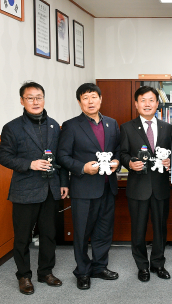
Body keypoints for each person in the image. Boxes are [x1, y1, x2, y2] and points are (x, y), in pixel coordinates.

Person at [0, 82, 68, 295]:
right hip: (24, 189)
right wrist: (30, 164)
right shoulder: (12, 127)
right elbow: (4, 157)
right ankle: (24, 275)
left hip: (50, 189)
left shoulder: (55, 125)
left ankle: (45, 272)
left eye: (39, 97)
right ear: (22, 101)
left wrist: (64, 182)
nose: (35, 101)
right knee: (22, 237)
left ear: (44, 99)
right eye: (30, 98)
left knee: (49, 234)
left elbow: (61, 158)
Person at [57, 83, 121, 290]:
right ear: (79, 102)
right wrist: (82, 168)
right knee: (82, 233)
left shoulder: (112, 123)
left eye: (94, 97)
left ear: (101, 99)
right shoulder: (71, 125)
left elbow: (118, 150)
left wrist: (118, 162)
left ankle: (100, 267)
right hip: (83, 189)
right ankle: (83, 271)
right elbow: (62, 156)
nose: (90, 101)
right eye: (85, 98)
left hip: (107, 187)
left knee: (104, 232)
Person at [119, 86, 172, 282]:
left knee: (160, 228)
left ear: (158, 104)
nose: (147, 104)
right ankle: (142, 266)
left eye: (151, 100)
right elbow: (122, 153)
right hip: (138, 187)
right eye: (143, 100)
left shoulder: (167, 127)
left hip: (160, 187)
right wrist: (129, 163)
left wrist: (170, 161)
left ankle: (158, 264)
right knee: (138, 229)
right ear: (136, 104)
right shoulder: (126, 127)